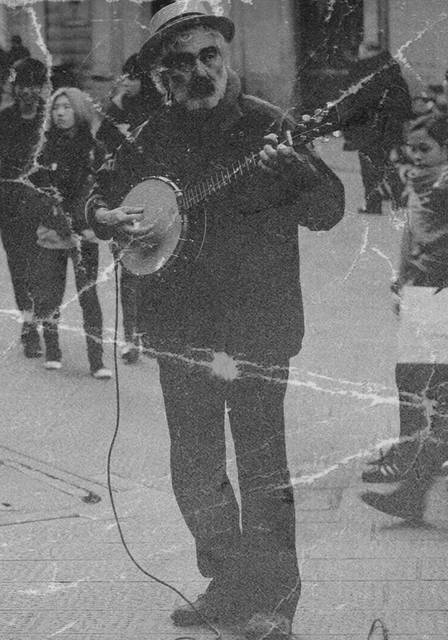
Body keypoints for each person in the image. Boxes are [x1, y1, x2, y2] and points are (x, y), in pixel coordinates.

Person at [86, 3, 345, 638]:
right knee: (195, 467)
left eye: (210, 56)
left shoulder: (270, 126)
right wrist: (103, 218)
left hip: (257, 329)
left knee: (262, 467)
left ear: (225, 58)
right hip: (180, 327)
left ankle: (274, 605)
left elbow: (330, 209)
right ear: (159, 75)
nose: (201, 70)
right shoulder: (148, 137)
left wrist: (302, 172)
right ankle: (229, 586)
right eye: (183, 62)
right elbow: (98, 193)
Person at [361, 113, 448, 520]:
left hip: (436, 296)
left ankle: (411, 487)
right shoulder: (423, 185)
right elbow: (413, 237)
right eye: (411, 149)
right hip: (422, 293)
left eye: (425, 149)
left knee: (427, 392)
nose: (414, 157)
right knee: (418, 387)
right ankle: (411, 482)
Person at [29, 87, 111, 378]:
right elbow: (36, 188)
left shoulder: (94, 148)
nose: (60, 112)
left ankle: (97, 361)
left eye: (66, 107)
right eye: (56, 108)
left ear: (79, 110)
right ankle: (52, 350)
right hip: (53, 229)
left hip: (85, 231)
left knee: (89, 296)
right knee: (51, 295)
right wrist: (54, 215)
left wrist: (90, 224)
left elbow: (101, 190)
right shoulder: (45, 147)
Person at [95, 53, 164, 364]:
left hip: (153, 196)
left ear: (143, 79)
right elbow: (101, 145)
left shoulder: (156, 109)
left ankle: (149, 333)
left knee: (155, 268)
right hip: (123, 199)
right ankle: (130, 338)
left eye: (131, 77)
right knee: (129, 273)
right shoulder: (117, 109)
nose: (125, 81)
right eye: (124, 76)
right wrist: (116, 105)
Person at [0, 57, 48, 358]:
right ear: (14, 87)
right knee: (20, 269)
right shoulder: (2, 121)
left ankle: (44, 322)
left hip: (42, 207)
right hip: (11, 210)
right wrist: (3, 198)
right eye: (23, 85)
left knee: (44, 267)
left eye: (34, 85)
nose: (28, 91)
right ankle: (29, 327)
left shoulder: (50, 118)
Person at [339, 41, 411, 214]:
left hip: (367, 128)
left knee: (369, 167)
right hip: (389, 127)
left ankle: (373, 205)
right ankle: (399, 198)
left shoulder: (362, 71)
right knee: (387, 163)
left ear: (366, 51)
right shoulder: (391, 69)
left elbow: (352, 101)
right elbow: (403, 99)